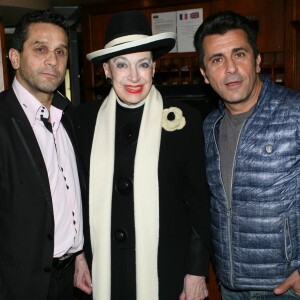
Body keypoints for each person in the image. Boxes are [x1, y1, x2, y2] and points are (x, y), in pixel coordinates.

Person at [74, 10, 211, 300]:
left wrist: (197, 271)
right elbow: (77, 197)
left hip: (166, 269)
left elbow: (199, 202)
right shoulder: (83, 121)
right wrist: (79, 256)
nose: (134, 76)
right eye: (122, 64)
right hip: (104, 265)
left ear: (154, 68)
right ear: (107, 70)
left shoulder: (185, 120)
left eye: (143, 64)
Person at [194, 10, 300, 300]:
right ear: (204, 74)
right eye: (217, 60)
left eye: (239, 54)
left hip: (286, 288)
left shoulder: (295, 112)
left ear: (257, 60)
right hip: (230, 286)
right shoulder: (209, 127)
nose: (230, 68)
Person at [0, 9, 92, 300]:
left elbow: (70, 196)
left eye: (60, 51)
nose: (53, 60)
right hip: (18, 285)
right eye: (40, 49)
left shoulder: (70, 118)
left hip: (70, 281)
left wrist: (79, 255)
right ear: (15, 58)